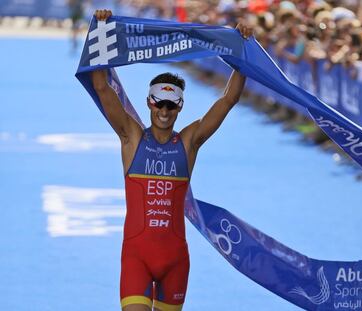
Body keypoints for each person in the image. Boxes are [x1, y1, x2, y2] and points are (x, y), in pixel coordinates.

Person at [91, 9, 253, 311]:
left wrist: (240, 49)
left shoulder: (189, 142)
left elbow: (228, 99)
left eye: (171, 105)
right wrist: (101, 30)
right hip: (136, 258)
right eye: (158, 104)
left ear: (179, 107)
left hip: (175, 261)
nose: (164, 111)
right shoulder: (132, 138)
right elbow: (102, 86)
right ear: (149, 103)